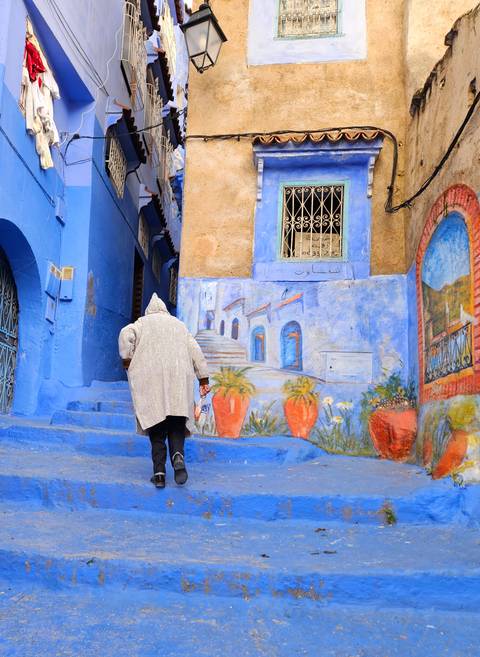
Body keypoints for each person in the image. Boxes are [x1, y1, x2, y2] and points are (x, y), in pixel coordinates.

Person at [118, 293, 210, 489]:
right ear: (165, 310)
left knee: (157, 429)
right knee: (176, 424)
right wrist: (203, 377)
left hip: (152, 384)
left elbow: (126, 334)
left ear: (149, 310)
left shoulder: (141, 324)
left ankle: (159, 474)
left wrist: (127, 359)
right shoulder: (179, 326)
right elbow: (196, 351)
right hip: (178, 382)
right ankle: (177, 457)